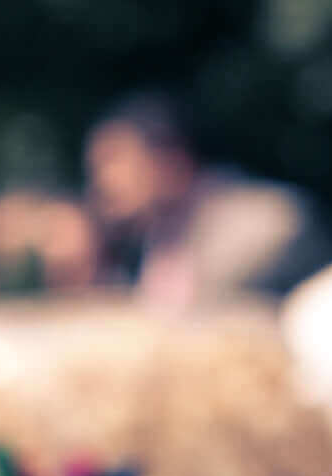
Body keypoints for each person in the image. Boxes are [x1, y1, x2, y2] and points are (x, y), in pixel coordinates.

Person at [84, 93, 313, 312]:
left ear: (170, 158)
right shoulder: (153, 242)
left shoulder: (268, 222)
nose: (103, 181)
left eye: (113, 160)